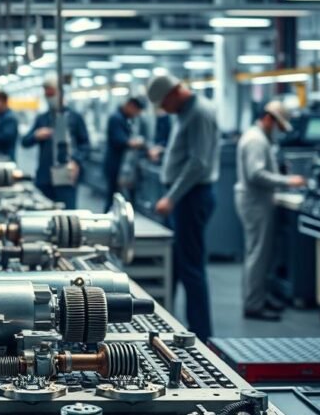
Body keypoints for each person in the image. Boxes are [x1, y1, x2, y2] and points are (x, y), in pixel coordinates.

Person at [146, 74, 220, 342]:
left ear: (175, 92)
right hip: (184, 196)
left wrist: (172, 197)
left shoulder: (199, 112)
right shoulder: (185, 112)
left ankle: (201, 335)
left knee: (191, 267)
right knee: (176, 264)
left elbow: (199, 162)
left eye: (164, 104)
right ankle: (173, 324)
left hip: (191, 197)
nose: (164, 110)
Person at [235, 100, 307, 321]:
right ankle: (253, 304)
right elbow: (256, 174)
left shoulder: (258, 138)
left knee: (259, 253)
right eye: (279, 126)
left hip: (257, 200)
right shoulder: (256, 140)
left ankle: (259, 296)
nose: (279, 132)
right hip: (255, 202)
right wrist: (288, 181)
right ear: (268, 119)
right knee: (258, 255)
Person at [21, 77, 91, 209]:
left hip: (66, 175)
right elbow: (25, 142)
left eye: (51, 93)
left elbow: (85, 145)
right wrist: (36, 135)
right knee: (43, 212)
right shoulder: (42, 119)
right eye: (47, 94)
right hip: (44, 177)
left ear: (60, 93)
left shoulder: (75, 118)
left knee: (67, 213)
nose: (49, 98)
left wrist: (76, 161)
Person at [102, 96, 147, 212]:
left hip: (122, 166)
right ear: (130, 106)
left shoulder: (125, 119)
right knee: (113, 197)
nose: (136, 114)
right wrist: (136, 143)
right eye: (136, 111)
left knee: (121, 198)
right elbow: (119, 140)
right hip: (115, 166)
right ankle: (108, 218)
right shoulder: (116, 118)